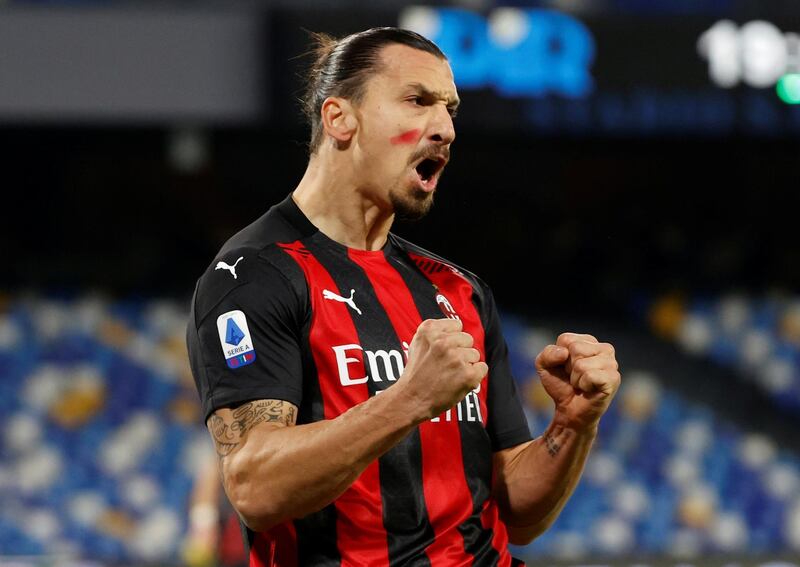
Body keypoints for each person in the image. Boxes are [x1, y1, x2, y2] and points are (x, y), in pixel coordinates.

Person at [186, 27, 621, 566]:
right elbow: (256, 489)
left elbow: (520, 515)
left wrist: (573, 423)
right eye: (417, 101)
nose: (444, 129)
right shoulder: (255, 275)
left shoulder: (458, 291)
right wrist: (410, 397)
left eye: (450, 110)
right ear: (339, 117)